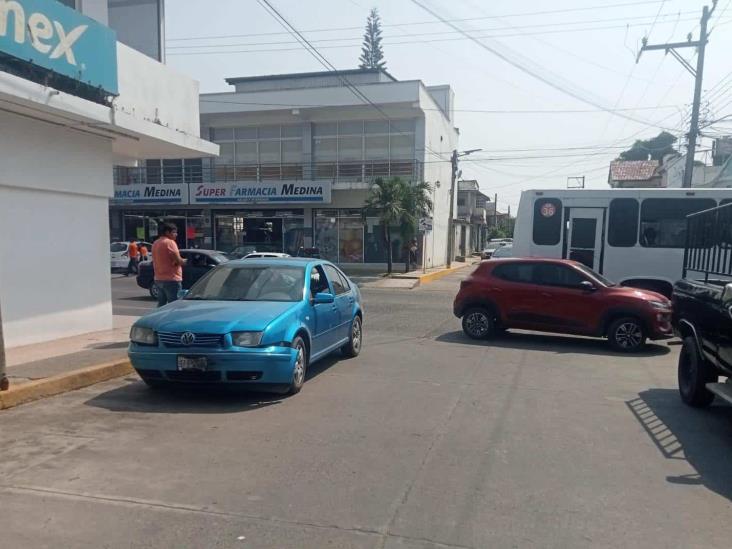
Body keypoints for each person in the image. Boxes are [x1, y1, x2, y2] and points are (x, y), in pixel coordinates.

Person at [152, 223, 186, 307]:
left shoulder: (155, 243)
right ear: (167, 232)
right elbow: (178, 260)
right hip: (172, 279)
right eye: (174, 232)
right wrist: (184, 261)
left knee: (161, 304)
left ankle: (158, 319)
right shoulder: (170, 242)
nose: (176, 234)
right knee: (174, 305)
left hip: (158, 278)